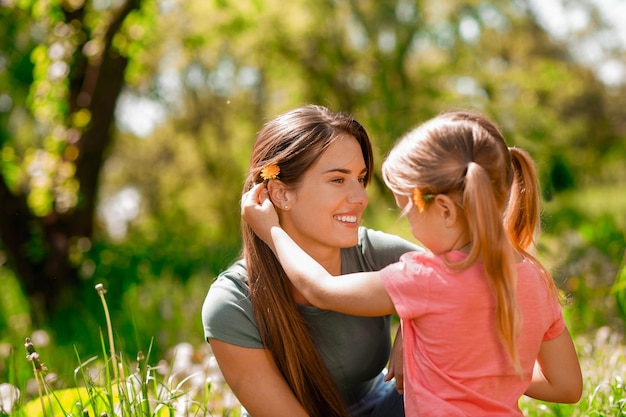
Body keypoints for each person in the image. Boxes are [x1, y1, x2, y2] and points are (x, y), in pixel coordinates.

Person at [241, 110, 583, 416]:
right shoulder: (535, 278)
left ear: (445, 211)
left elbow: (321, 290)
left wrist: (271, 231)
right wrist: (495, 374)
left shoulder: (425, 277)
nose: (409, 224)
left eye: (408, 210)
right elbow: (567, 387)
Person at [202, 104, 423, 417]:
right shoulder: (232, 304)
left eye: (360, 179)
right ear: (281, 194)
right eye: (337, 180)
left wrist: (415, 321)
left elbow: (467, 277)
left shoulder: (376, 254)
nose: (360, 197)